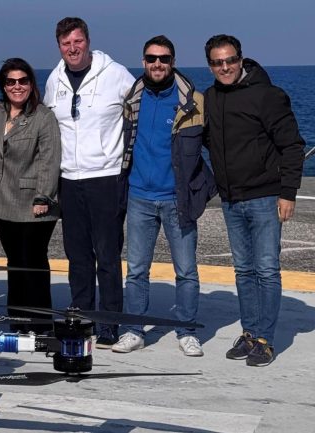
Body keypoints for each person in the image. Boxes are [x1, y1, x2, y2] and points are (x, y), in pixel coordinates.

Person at [111, 35, 216, 356]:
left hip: (178, 200)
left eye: (164, 58)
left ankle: (187, 331)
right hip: (139, 197)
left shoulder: (194, 101)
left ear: (173, 62)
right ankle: (133, 330)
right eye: (152, 58)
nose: (158, 64)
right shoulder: (131, 99)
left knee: (186, 271)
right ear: (143, 61)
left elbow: (219, 145)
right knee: (136, 271)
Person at [203, 34, 305, 367]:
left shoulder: (267, 96)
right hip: (232, 200)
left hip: (265, 197)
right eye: (218, 62)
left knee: (267, 270)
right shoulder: (211, 98)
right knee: (244, 271)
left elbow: (292, 146)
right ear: (210, 66)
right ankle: (249, 333)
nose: (225, 67)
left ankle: (265, 340)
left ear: (241, 59)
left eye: (230, 60)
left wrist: (288, 193)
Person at [43, 17, 134, 347]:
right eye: (66, 43)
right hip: (69, 179)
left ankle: (109, 321)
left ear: (88, 41)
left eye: (77, 41)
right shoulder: (54, 80)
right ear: (59, 46)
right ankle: (82, 315)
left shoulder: (116, 74)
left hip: (106, 177)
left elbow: (140, 107)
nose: (73, 48)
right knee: (78, 255)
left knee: (107, 255)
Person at [0, 58, 61, 330]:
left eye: (23, 81)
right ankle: (17, 321)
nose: (17, 86)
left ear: (31, 84)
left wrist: (44, 196)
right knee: (15, 263)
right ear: (3, 85)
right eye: (11, 81)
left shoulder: (43, 117)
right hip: (3, 202)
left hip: (34, 205)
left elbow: (50, 159)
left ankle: (40, 324)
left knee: (33, 264)